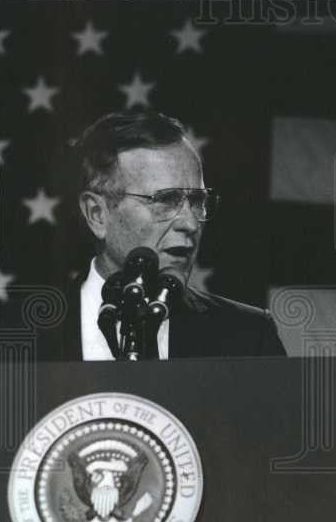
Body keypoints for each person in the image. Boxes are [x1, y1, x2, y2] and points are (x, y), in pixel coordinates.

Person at [43, 109, 286, 360]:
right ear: (97, 215)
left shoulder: (249, 339)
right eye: (166, 199)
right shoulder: (17, 332)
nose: (191, 223)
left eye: (197, 200)